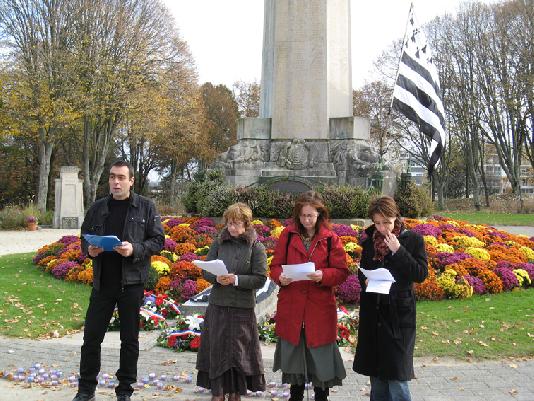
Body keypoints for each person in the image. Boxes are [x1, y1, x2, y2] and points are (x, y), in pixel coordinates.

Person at [73, 160, 164, 401]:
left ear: (131, 181)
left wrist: (134, 249)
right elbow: (84, 237)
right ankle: (86, 389)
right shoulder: (98, 207)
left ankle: (124, 391)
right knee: (91, 338)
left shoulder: (146, 206)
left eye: (121, 177)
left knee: (129, 340)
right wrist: (89, 249)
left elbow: (158, 241)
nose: (116, 182)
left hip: (131, 283)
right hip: (103, 283)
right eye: (113, 177)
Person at [270, 191, 349, 401]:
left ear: (319, 215)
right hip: (292, 305)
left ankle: (321, 396)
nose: (306, 220)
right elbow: (275, 266)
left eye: (311, 216)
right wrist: (280, 277)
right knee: (294, 360)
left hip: (319, 308)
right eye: (303, 216)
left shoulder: (331, 239)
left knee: (321, 360)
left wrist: (323, 275)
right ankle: (295, 396)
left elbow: (341, 271)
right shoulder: (287, 235)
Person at [353, 196, 428, 401]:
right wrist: (365, 280)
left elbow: (420, 274)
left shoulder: (413, 240)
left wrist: (398, 251)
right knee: (377, 374)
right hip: (374, 312)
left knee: (396, 375)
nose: (382, 227)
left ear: (396, 216)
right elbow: (363, 269)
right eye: (377, 223)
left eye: (387, 222)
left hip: (398, 315)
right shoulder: (370, 241)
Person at [196, 202, 268, 401]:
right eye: (229, 223)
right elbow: (206, 270)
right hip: (218, 305)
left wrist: (235, 280)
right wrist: (216, 278)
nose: (231, 227)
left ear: (246, 224)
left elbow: (260, 278)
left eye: (236, 223)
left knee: (238, 352)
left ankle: (235, 393)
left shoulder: (256, 247)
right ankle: (218, 392)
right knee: (217, 349)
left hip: (242, 308)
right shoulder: (219, 243)